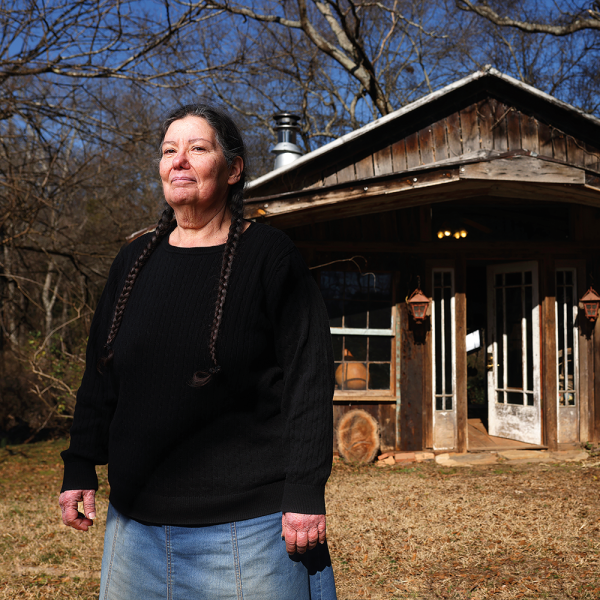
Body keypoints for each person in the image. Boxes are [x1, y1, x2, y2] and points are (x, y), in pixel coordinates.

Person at [58, 104, 336, 599]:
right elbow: (101, 376)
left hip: (248, 532)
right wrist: (80, 462)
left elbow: (308, 378)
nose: (178, 161)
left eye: (197, 148)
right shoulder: (133, 262)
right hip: (135, 530)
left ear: (233, 169)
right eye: (169, 151)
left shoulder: (271, 257)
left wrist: (305, 490)